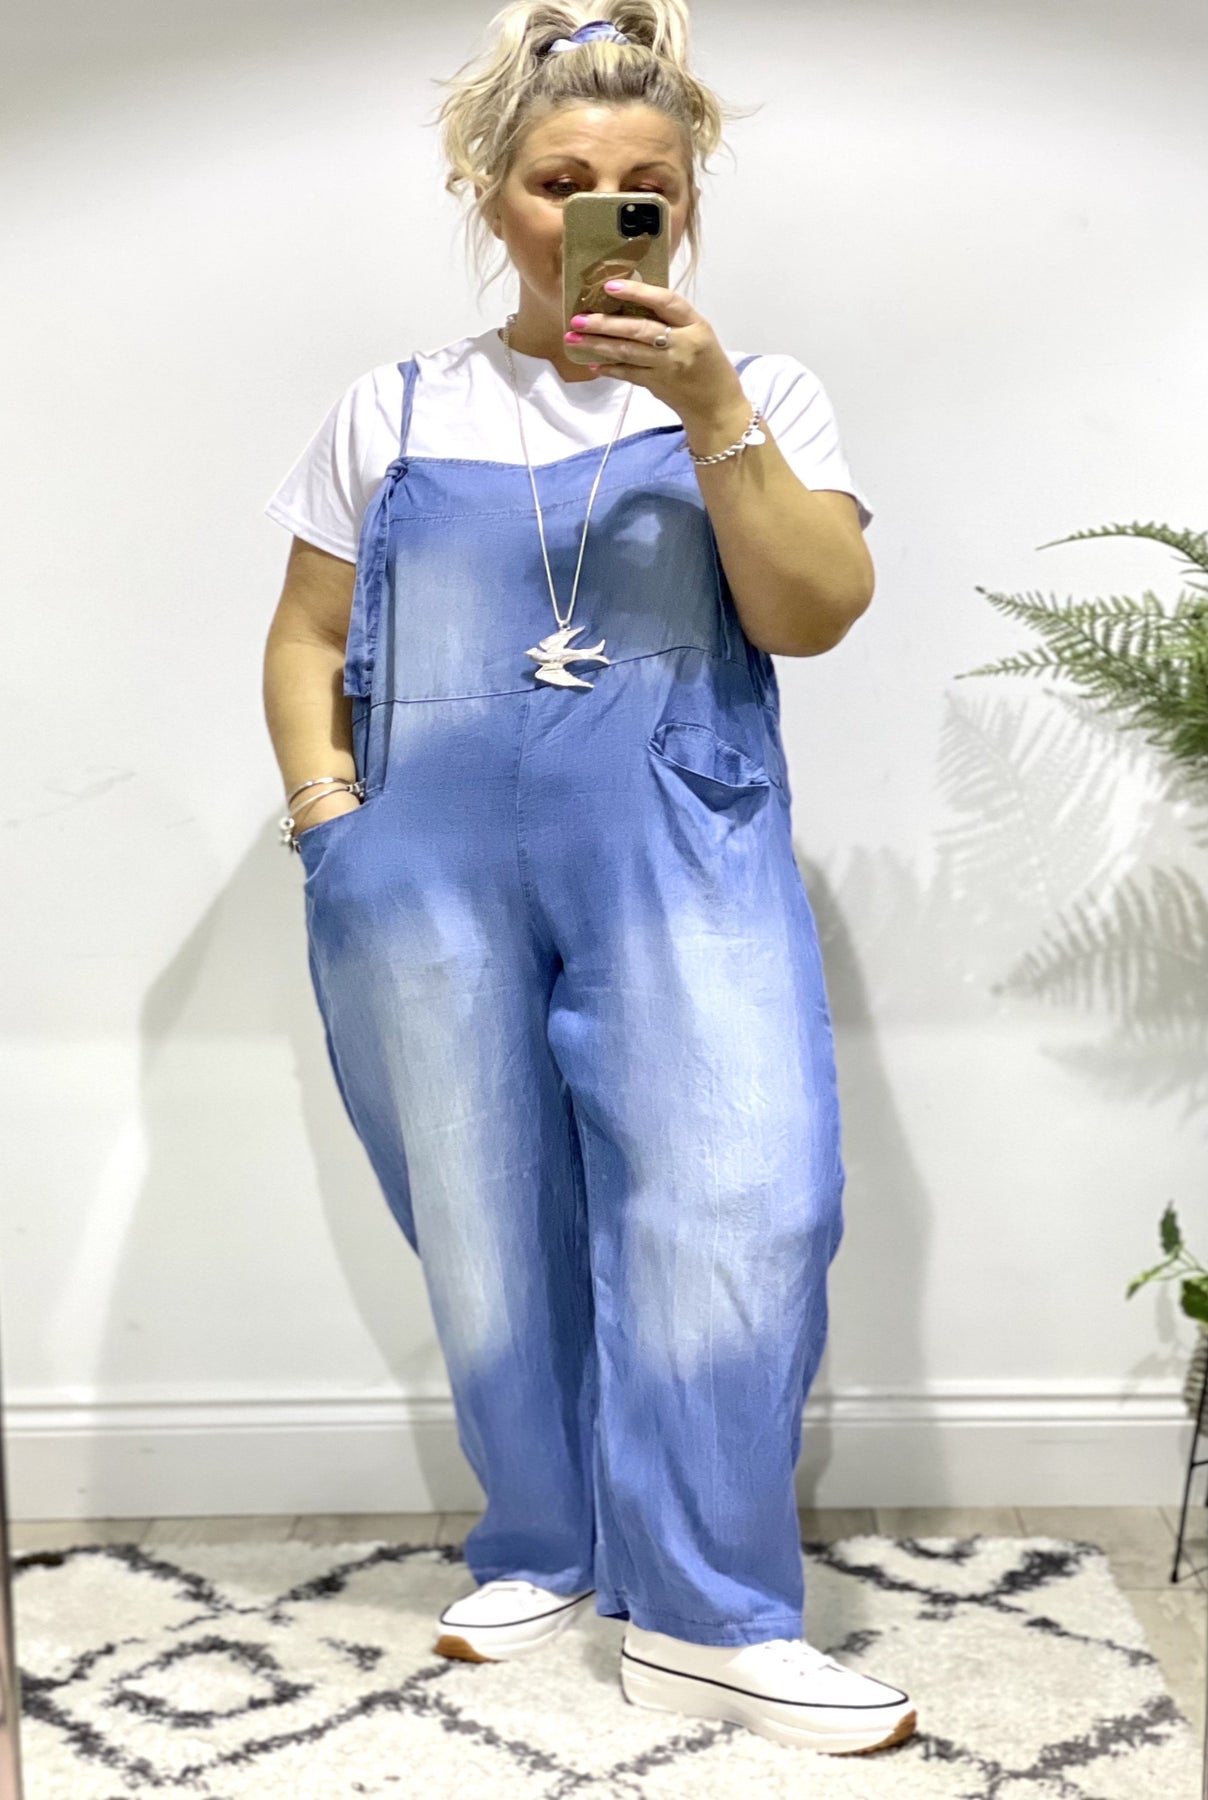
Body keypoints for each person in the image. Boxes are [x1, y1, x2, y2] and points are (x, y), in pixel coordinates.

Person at [261, 0, 916, 1758]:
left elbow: (812, 614)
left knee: (747, 1200)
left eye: (647, 184)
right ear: (490, 191)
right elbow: (308, 632)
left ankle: (710, 1613)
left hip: (676, 847)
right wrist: (331, 818)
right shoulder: (397, 408)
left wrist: (710, 411)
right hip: (421, 875)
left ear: (685, 203)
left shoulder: (763, 392)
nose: (603, 214)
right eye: (561, 180)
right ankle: (547, 1544)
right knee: (487, 1221)